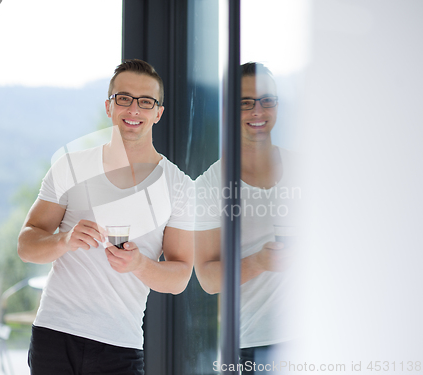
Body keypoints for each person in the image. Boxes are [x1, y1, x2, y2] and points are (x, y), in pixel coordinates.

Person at [18, 59, 195, 375]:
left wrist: (140, 264)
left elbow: (180, 276)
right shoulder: (71, 167)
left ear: (158, 113)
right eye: (124, 98)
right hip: (54, 335)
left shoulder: (179, 186)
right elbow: (27, 245)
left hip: (120, 346)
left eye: (146, 102)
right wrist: (64, 240)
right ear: (109, 107)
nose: (134, 109)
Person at [194, 62, 300, 374]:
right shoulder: (210, 185)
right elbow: (209, 279)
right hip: (251, 345)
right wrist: (259, 262)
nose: (258, 111)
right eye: (245, 103)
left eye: (267, 101)